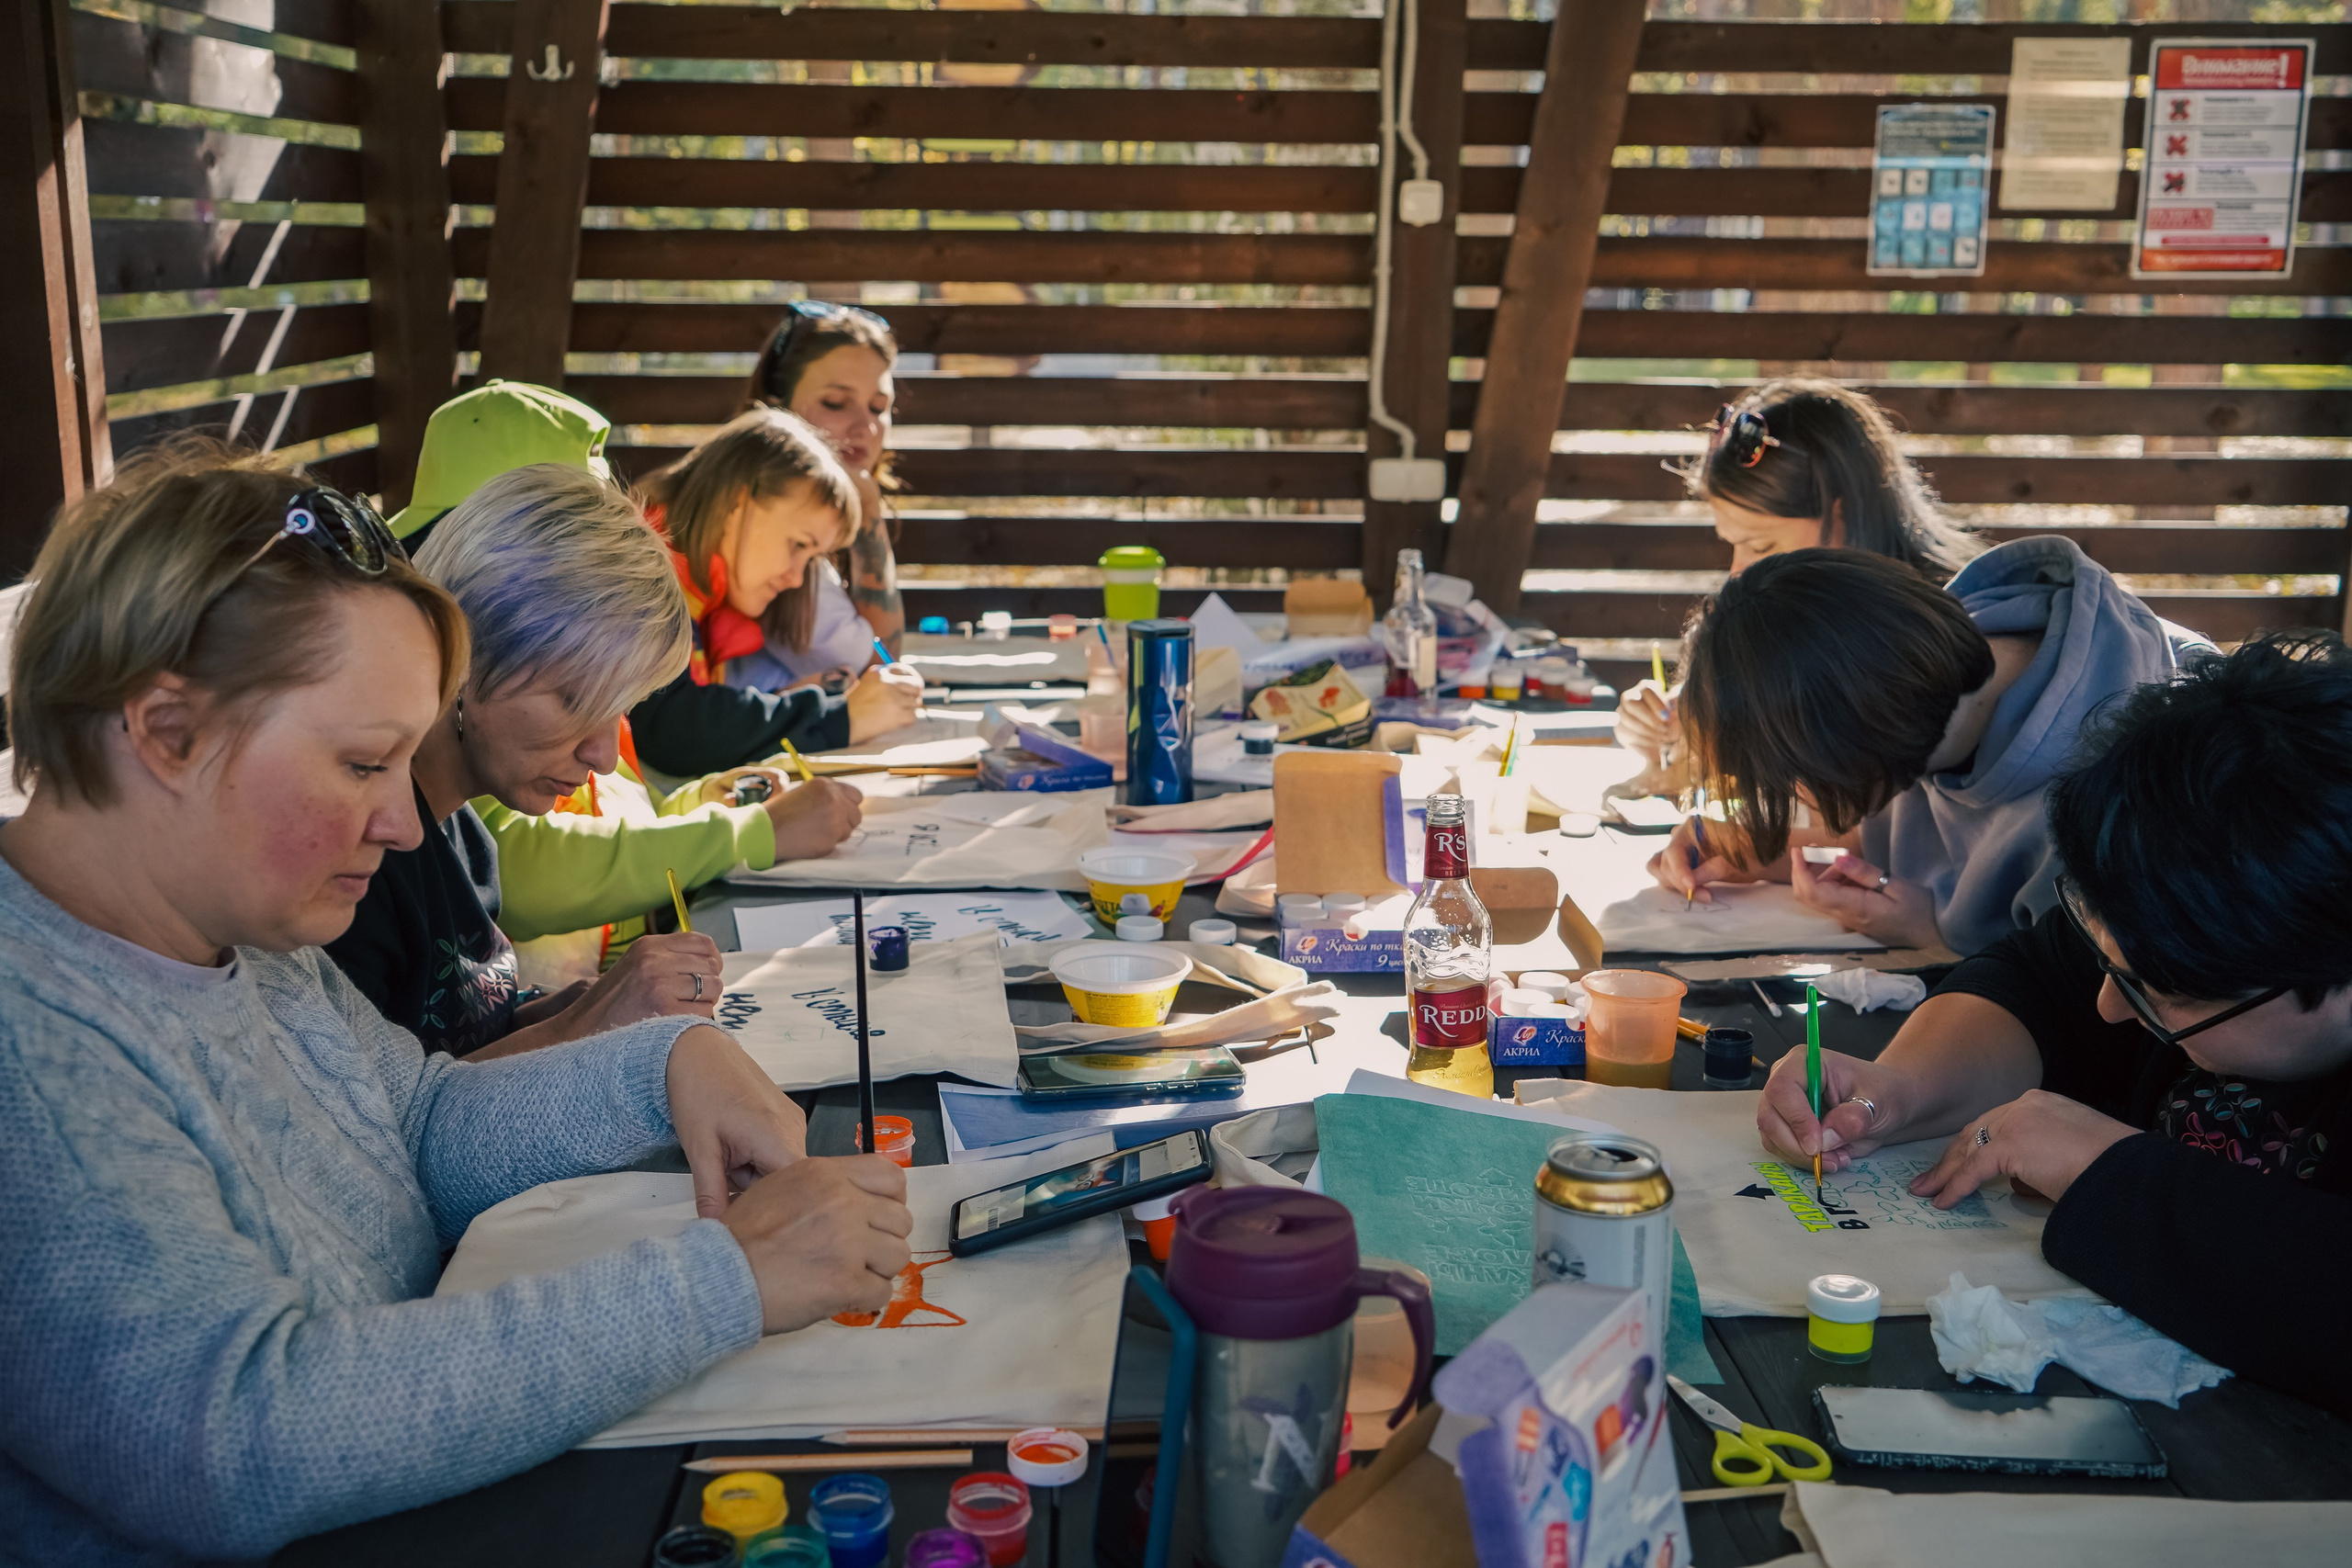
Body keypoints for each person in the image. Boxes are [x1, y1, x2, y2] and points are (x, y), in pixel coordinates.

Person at [0, 443, 913, 1563]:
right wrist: (726, 1280)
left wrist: (664, 1061)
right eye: (361, 764)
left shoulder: (238, 928)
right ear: (167, 734)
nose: (399, 825)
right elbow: (239, 1442)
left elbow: (413, 1126)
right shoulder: (32, 1045)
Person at [1758, 634, 2352, 1413]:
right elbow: (2042, 978)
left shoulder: (2253, 917)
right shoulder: (2187, 898)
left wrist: (2111, 1169)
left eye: (2159, 992)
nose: (2110, 1005)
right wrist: (1904, 1086)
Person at [325, 464, 864, 1056]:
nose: (603, 757)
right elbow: (391, 1121)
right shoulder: (356, 866)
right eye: (575, 700)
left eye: (622, 710)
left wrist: (572, 1005)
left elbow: (456, 1028)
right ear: (463, 647)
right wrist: (578, 1025)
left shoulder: (466, 834)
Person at [371, 382, 864, 971]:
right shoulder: (412, 808)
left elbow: (610, 805)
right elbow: (525, 872)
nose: (601, 752)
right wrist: (746, 833)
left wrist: (698, 806)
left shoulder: (499, 750)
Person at [1648, 542, 2199, 954]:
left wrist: (1936, 935)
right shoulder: (1921, 677)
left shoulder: (2114, 804)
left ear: (1857, 745)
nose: (1796, 796)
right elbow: (1915, 816)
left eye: (1791, 778)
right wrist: (1756, 846)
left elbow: (2094, 1001)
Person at [1615, 381, 1984, 781]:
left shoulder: (1945, 632)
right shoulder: (1789, 609)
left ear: (1841, 513)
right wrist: (1673, 722)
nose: (1736, 572)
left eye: (1761, 544)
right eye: (1732, 546)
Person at [630, 408, 922, 777]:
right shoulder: (636, 569)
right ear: (737, 503)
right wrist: (838, 718)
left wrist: (786, 704)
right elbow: (673, 728)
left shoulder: (690, 582)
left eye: (813, 558)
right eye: (799, 545)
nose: (797, 580)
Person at [732, 299, 906, 690]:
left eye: (879, 407)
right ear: (775, 410)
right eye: (835, 403)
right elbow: (879, 668)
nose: (864, 426)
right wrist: (869, 509)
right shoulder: (770, 522)